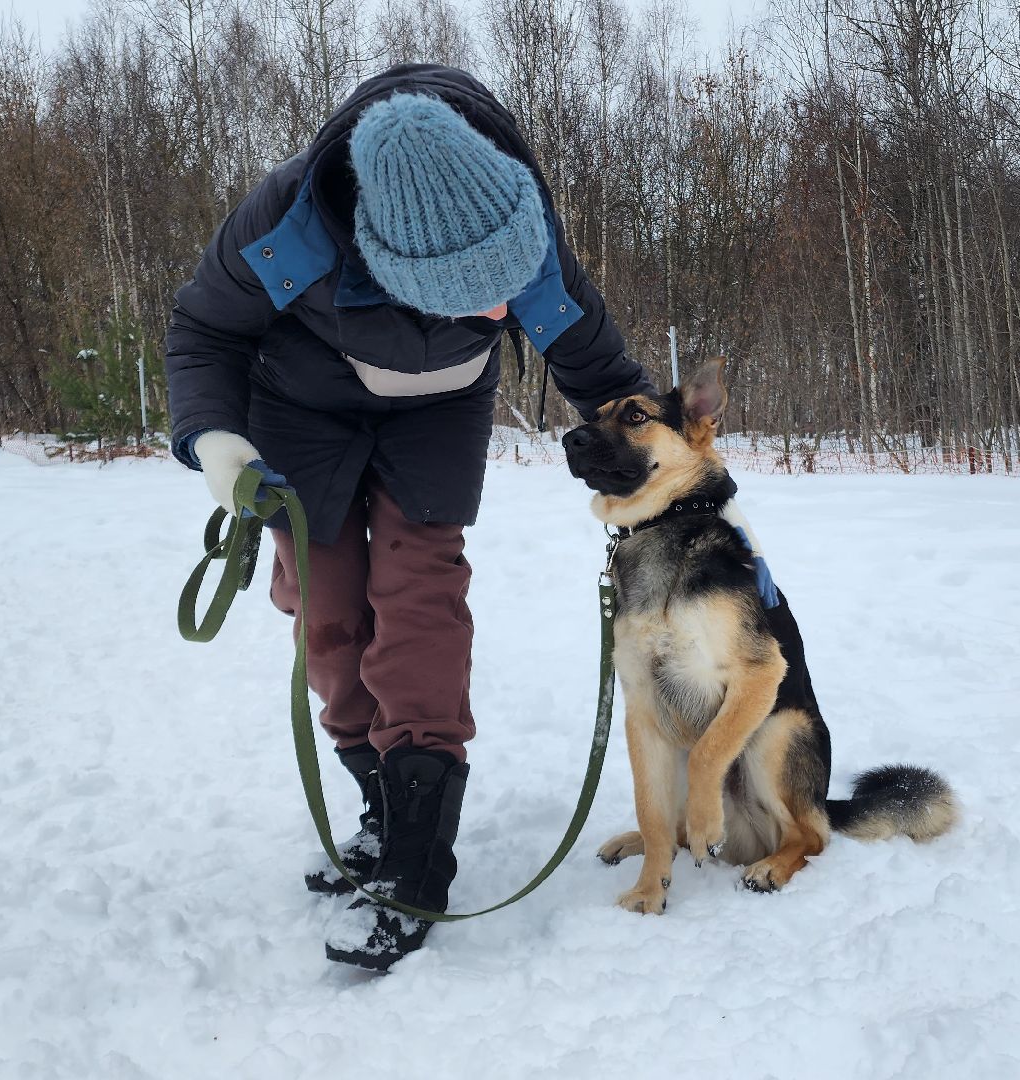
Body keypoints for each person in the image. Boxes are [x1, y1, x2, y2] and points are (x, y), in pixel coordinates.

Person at [164, 64, 654, 971]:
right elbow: (205, 329)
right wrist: (216, 442)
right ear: (393, 263)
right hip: (300, 407)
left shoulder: (512, 212)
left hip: (439, 409)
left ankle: (419, 850)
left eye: (513, 284)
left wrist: (662, 459)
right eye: (481, 294)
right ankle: (376, 800)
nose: (508, 309)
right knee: (329, 608)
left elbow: (597, 364)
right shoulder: (289, 227)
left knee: (419, 593)